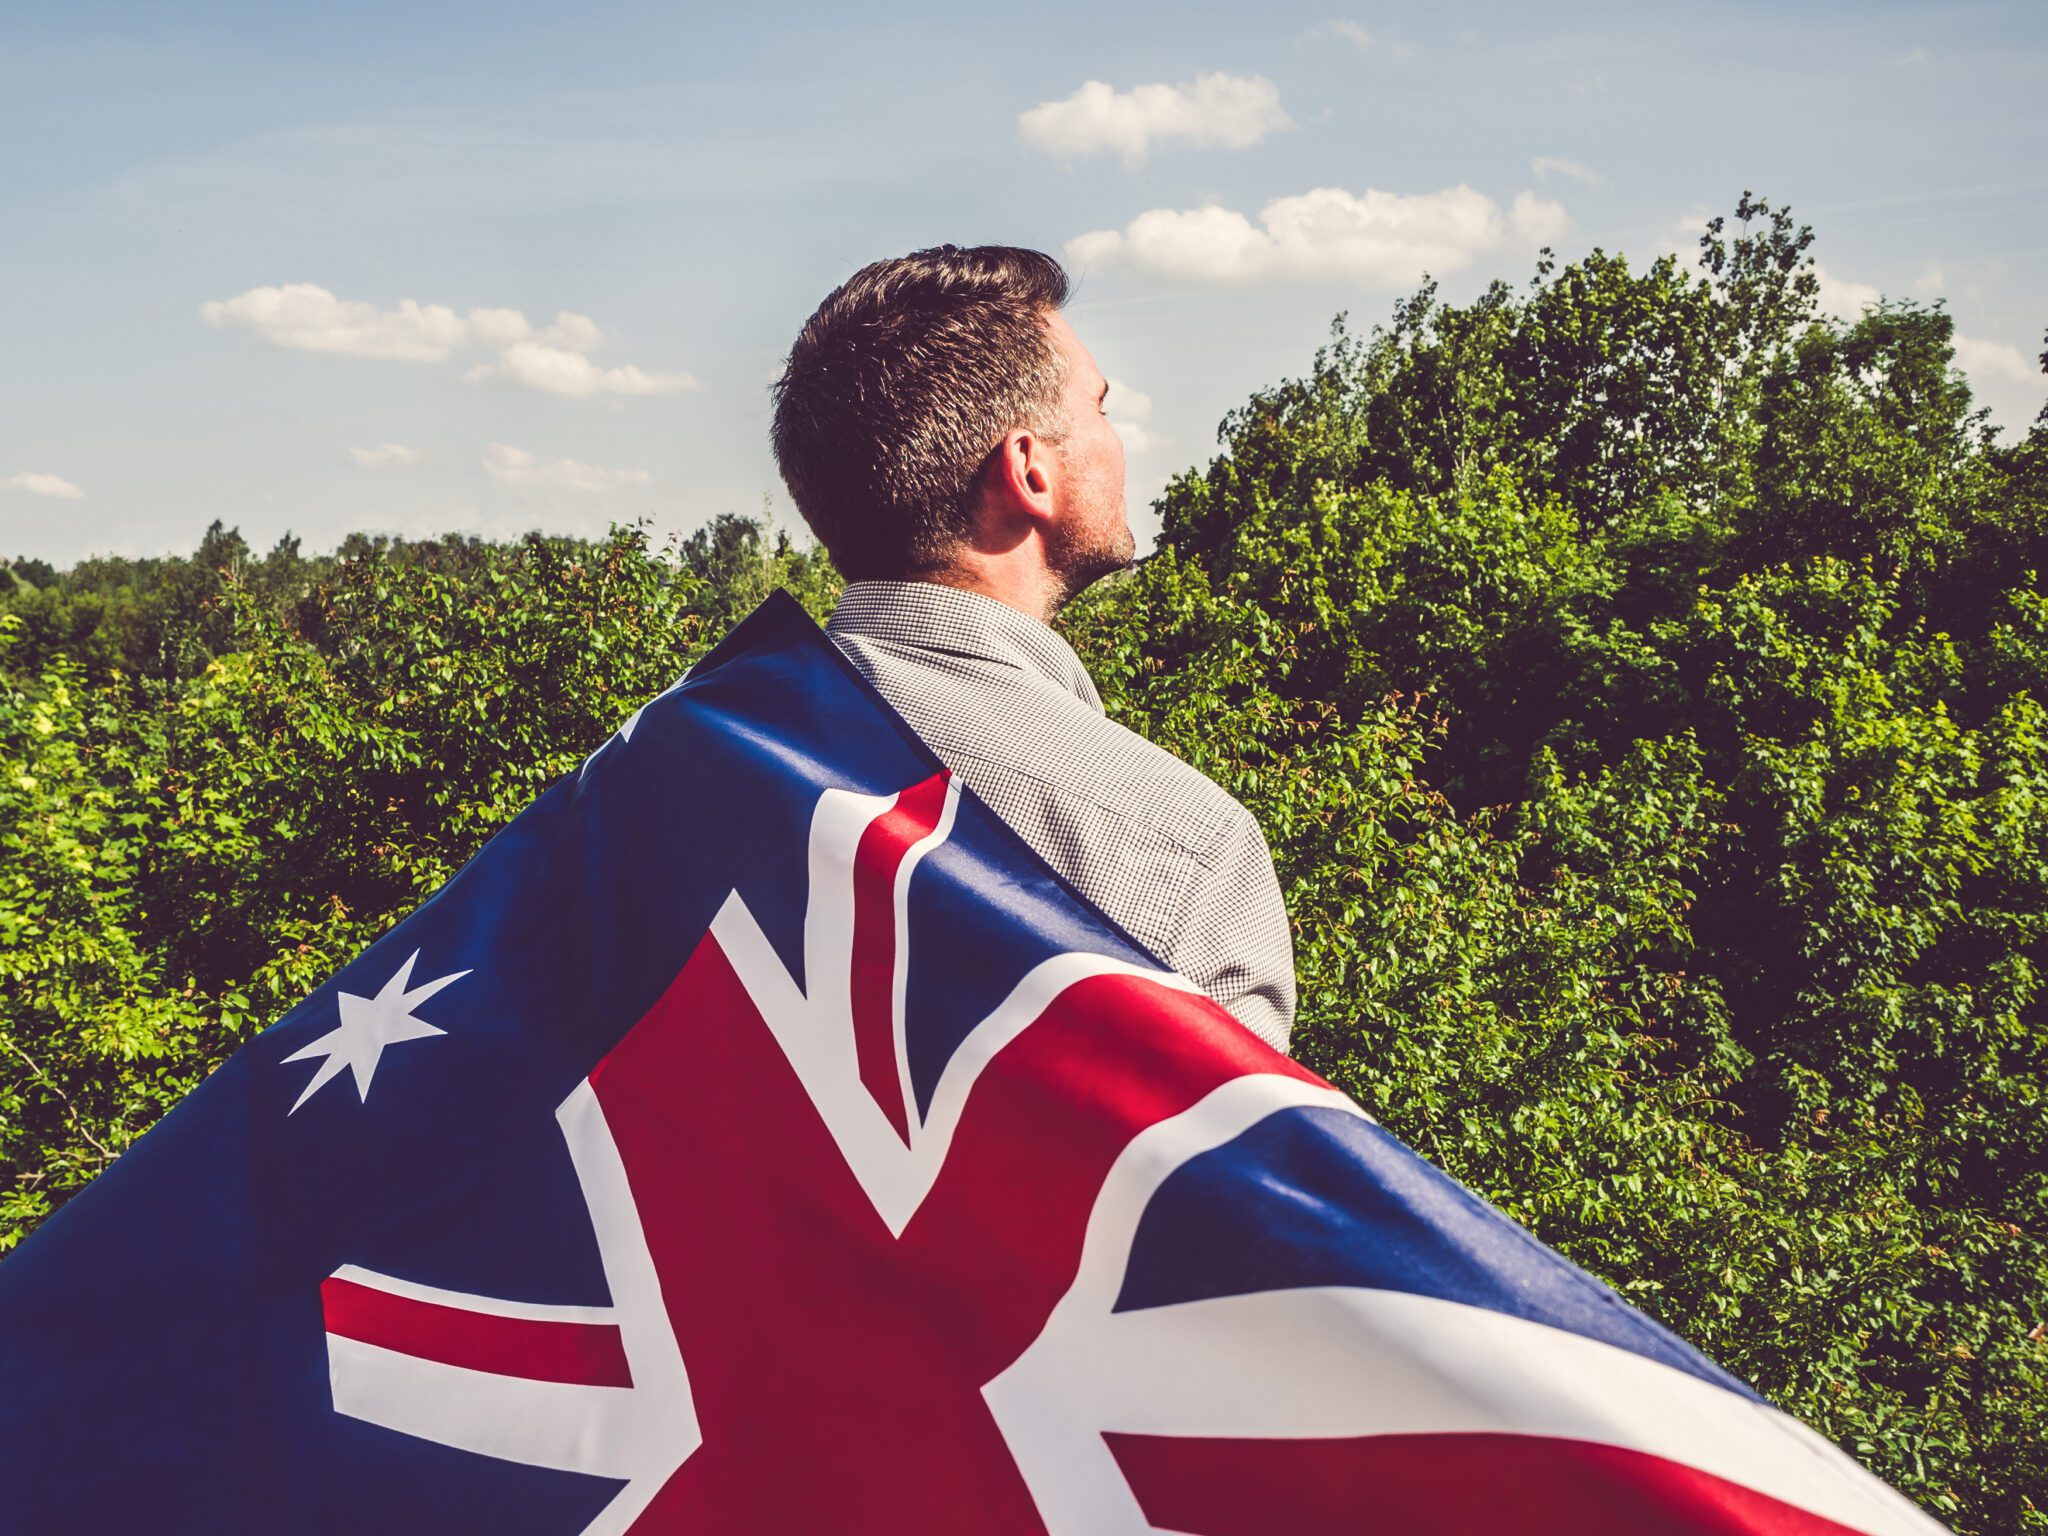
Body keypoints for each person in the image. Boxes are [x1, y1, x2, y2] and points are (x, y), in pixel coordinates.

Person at [769, 244, 1295, 1054]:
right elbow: (1213, 1179)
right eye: (1101, 409)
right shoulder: (1185, 853)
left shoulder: (662, 759)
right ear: (1029, 472)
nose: (1119, 440)